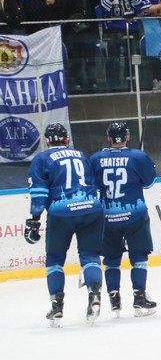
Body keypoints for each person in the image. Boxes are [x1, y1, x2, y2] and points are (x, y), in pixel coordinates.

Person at [24, 123, 106, 326]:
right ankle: (94, 294)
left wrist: (34, 220)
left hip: (61, 212)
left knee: (54, 259)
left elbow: (39, 193)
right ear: (66, 138)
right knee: (90, 255)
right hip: (91, 208)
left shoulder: (42, 159)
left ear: (47, 141)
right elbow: (93, 183)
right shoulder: (81, 155)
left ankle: (57, 305)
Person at [88, 122, 158, 317]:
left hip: (108, 217)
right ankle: (139, 297)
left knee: (111, 259)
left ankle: (114, 297)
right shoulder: (138, 156)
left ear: (108, 138)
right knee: (139, 257)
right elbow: (149, 183)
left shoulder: (96, 158)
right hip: (135, 215)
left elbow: (92, 185)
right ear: (127, 137)